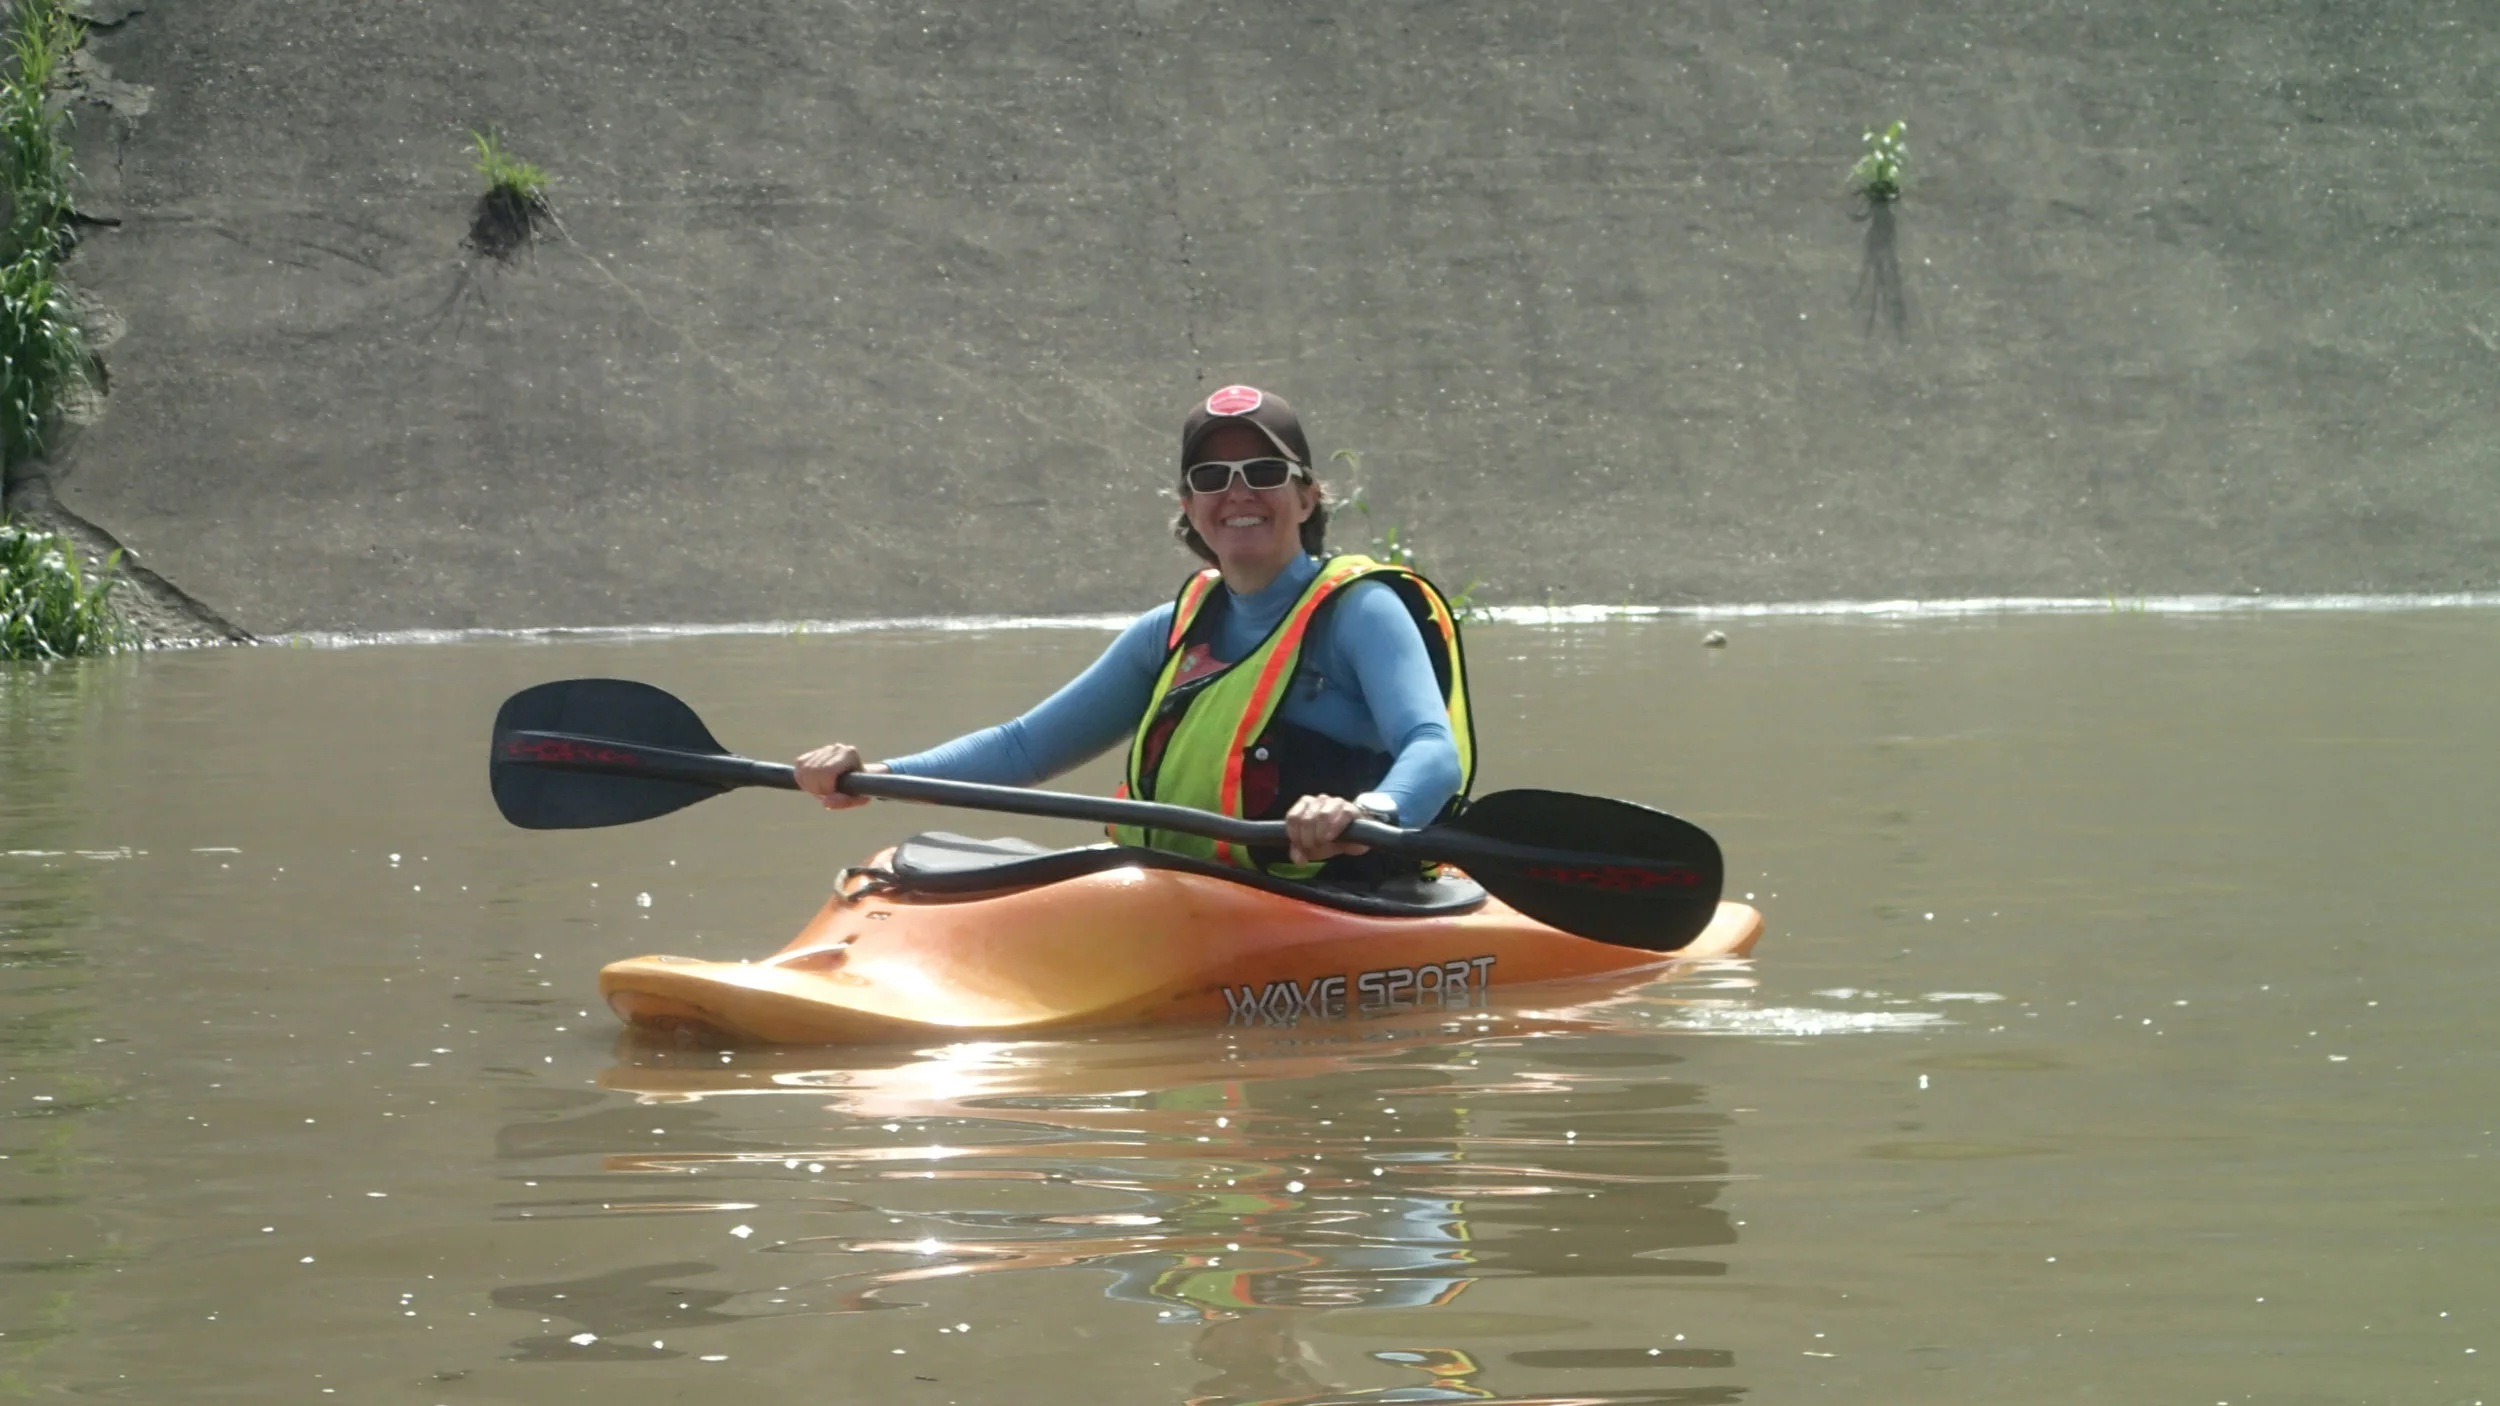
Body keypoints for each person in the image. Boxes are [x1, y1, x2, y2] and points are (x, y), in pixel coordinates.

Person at [794, 385, 1476, 879]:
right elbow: (1023, 748)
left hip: (1338, 900)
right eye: (1212, 478)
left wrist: (1368, 811)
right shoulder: (1170, 634)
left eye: (1264, 473)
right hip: (1186, 894)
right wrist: (877, 777)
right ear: (1190, 507)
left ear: (1305, 497)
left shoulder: (1360, 613)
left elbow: (1432, 750)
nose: (1238, 493)